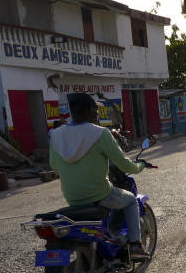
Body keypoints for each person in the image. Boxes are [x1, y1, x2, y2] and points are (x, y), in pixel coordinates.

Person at [49, 93, 150, 259]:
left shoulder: (56, 135)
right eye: (96, 110)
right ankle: (135, 246)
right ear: (89, 110)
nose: (97, 114)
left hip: (73, 198)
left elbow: (54, 166)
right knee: (131, 200)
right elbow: (124, 164)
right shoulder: (100, 133)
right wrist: (141, 166)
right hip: (100, 195)